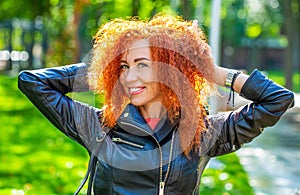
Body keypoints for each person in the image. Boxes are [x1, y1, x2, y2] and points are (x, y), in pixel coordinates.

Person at [18, 14, 294, 195]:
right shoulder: (99, 126)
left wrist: (213, 71)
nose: (129, 76)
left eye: (142, 65)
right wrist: (105, 70)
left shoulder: (202, 134)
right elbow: (33, 82)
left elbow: (277, 100)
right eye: (124, 66)